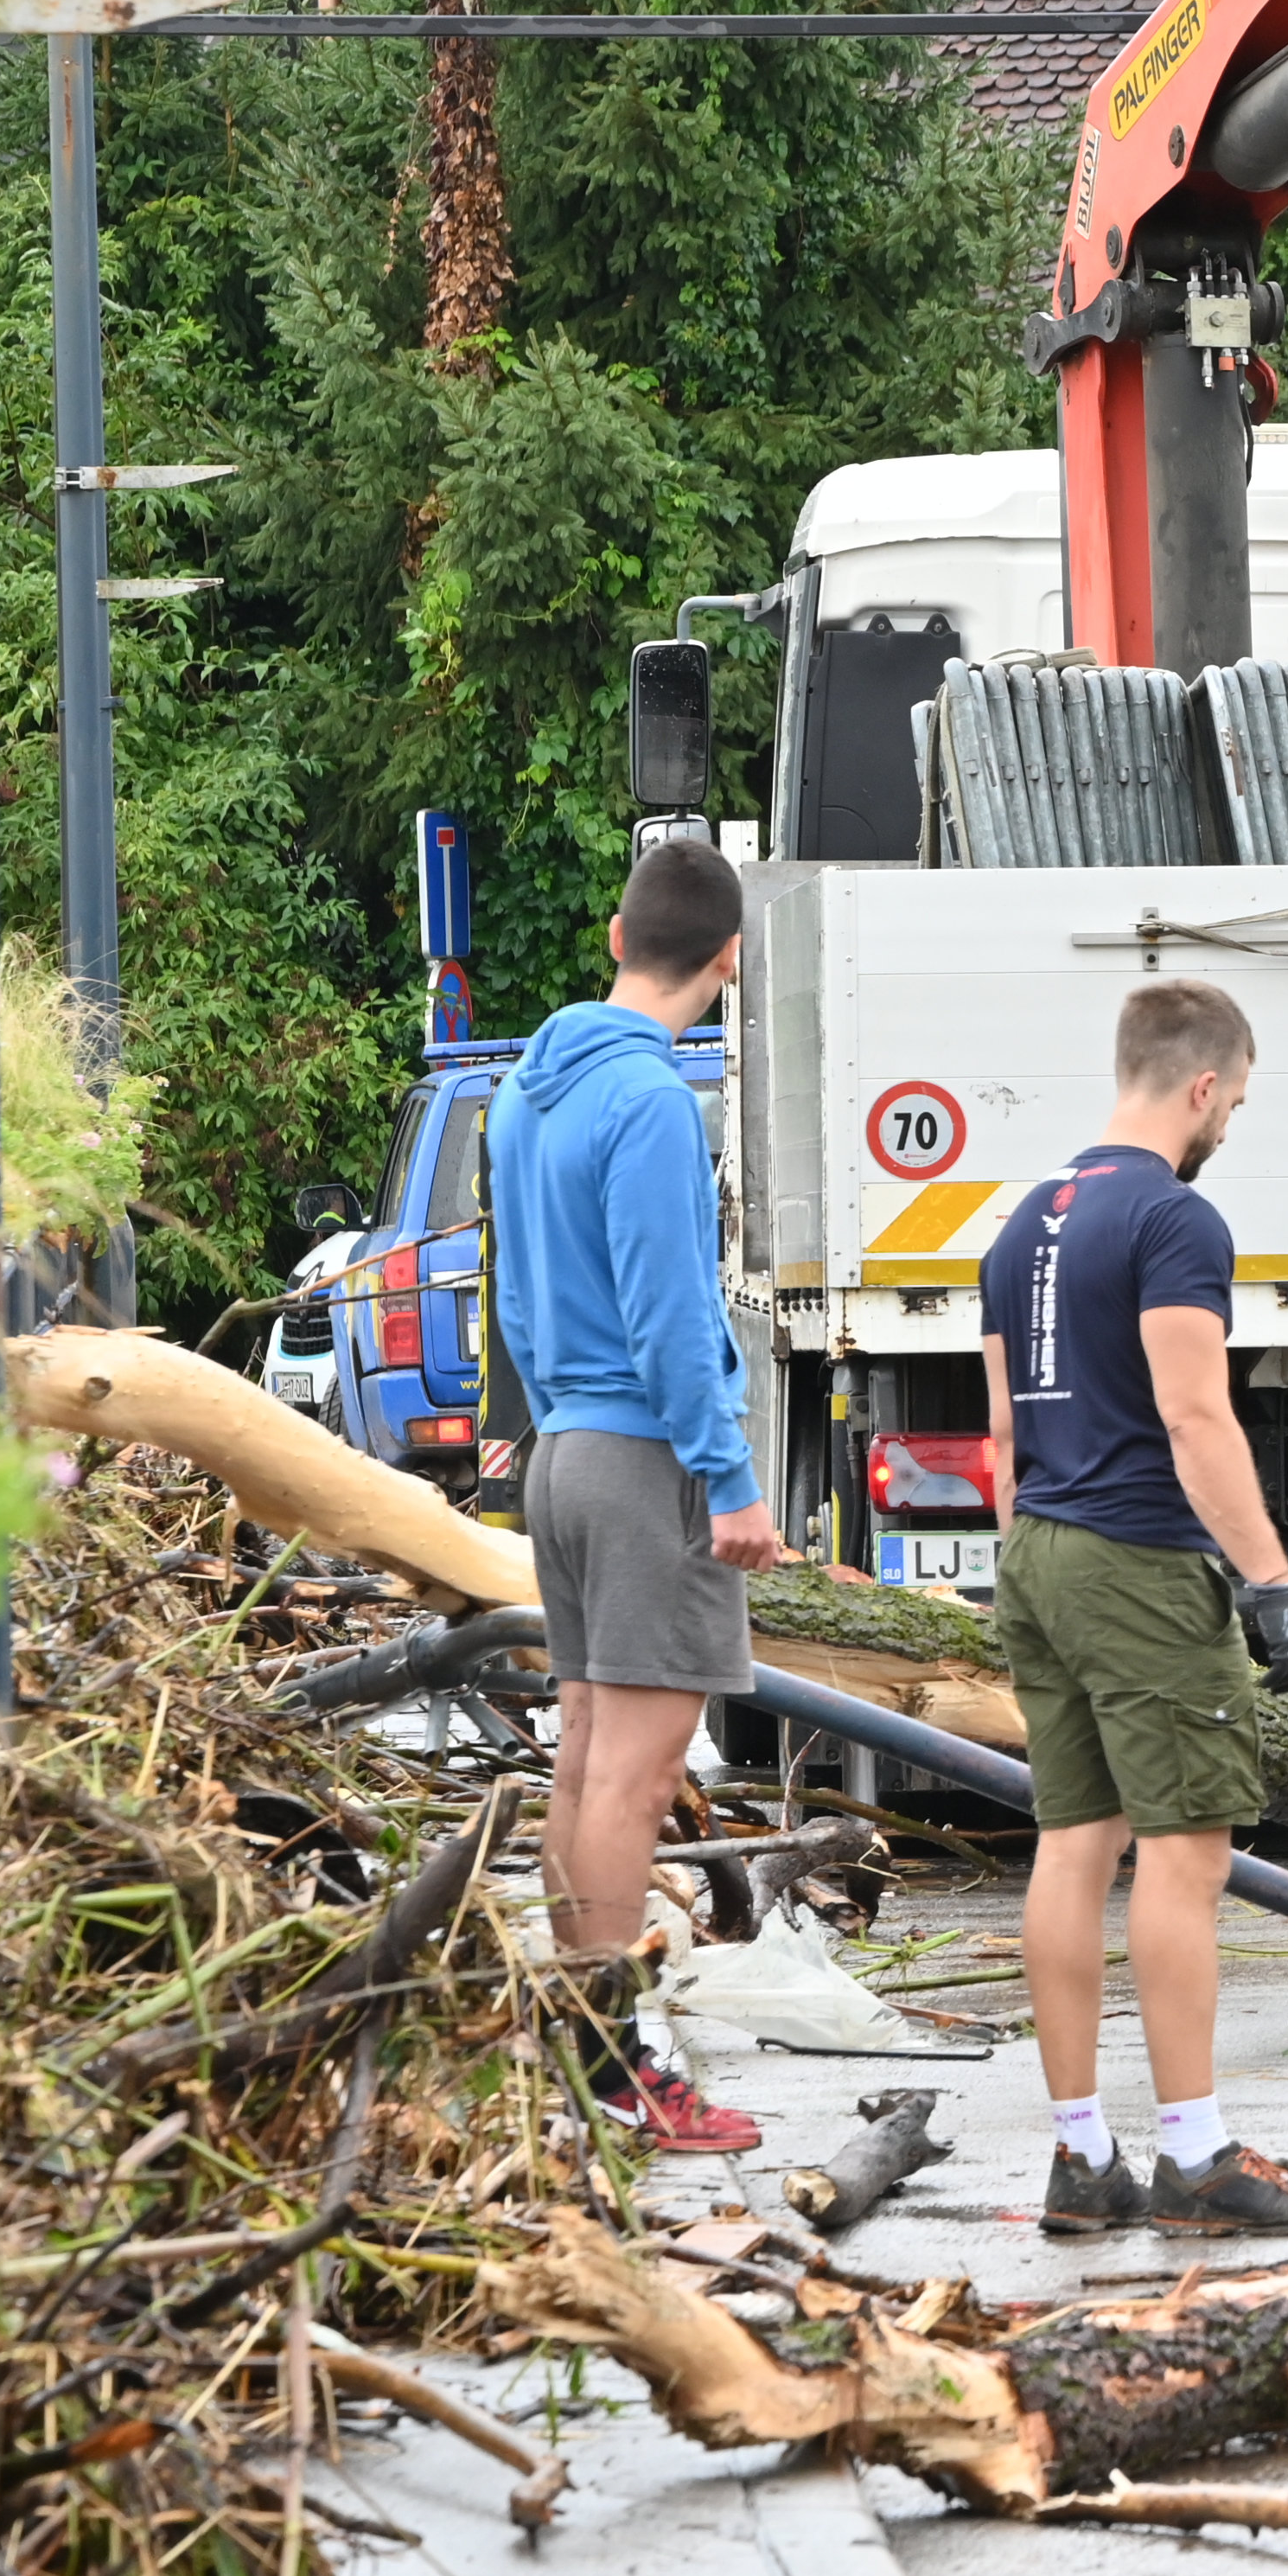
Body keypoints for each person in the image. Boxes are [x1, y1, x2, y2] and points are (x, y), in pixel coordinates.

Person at [979, 980, 1288, 2237]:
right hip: (1138, 1557)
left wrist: (1037, 1564)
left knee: (1073, 1842)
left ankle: (1082, 2157)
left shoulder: (1022, 1224)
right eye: (1234, 1100)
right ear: (1201, 1085)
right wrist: (1273, 1582)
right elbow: (1195, 1416)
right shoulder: (1174, 1219)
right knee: (1187, 1853)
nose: (1230, 1123)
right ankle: (1195, 2156)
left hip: (1038, 1550)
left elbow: (1002, 1440)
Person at [490, 835, 777, 2153]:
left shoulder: (524, 1091)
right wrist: (729, 1475)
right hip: (641, 1458)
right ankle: (614, 2065)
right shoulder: (652, 1102)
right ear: (730, 959)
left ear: (616, 937)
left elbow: (516, 1298)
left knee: (586, 1760)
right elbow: (671, 1315)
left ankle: (576, 2044)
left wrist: (548, 1423)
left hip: (560, 1451)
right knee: (638, 1777)